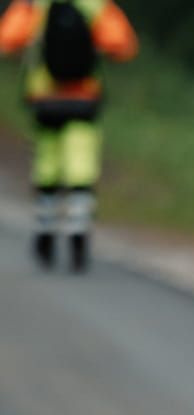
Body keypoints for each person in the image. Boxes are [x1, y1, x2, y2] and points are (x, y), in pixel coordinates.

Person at [0, 0, 138, 271]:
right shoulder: (94, 5)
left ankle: (46, 231)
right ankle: (79, 234)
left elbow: (7, 40)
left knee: (46, 167)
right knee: (81, 167)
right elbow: (123, 45)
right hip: (83, 99)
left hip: (45, 99)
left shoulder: (33, 5)